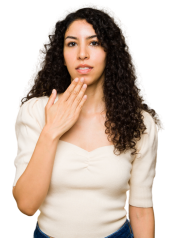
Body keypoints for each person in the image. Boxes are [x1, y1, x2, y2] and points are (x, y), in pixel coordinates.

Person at [12, 7, 161, 238]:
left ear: (109, 52)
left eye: (94, 43)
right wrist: (51, 131)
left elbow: (141, 210)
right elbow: (26, 204)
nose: (82, 53)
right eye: (72, 44)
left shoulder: (139, 123)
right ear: (61, 54)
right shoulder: (35, 112)